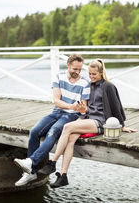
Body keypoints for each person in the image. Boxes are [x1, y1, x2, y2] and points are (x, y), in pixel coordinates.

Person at [41, 59, 137, 188]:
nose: (91, 77)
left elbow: (116, 106)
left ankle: (52, 162)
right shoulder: (89, 85)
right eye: (90, 74)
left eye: (94, 74)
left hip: (101, 121)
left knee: (67, 127)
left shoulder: (108, 86)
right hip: (88, 118)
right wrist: (80, 110)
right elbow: (85, 107)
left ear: (101, 73)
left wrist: (122, 125)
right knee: (70, 138)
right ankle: (63, 176)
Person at [14, 54, 90, 186]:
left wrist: (80, 109)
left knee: (53, 131)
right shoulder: (59, 77)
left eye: (80, 69)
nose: (77, 72)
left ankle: (30, 163)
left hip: (71, 116)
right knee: (34, 131)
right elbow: (56, 100)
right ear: (68, 65)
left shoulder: (85, 83)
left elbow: (84, 109)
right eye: (75, 69)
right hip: (57, 111)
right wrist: (71, 105)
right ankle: (30, 173)